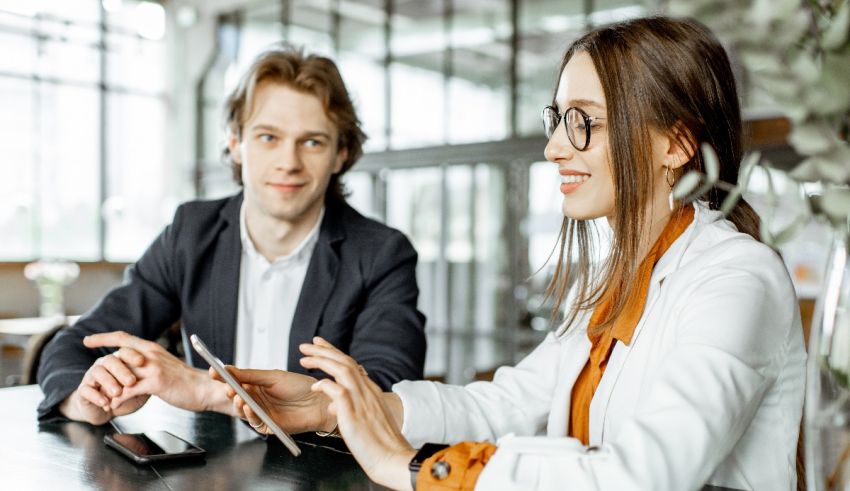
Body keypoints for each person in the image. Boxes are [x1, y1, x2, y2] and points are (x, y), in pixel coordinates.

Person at [211, 16, 807, 491]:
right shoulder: (613, 281)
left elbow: (642, 475)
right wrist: (339, 408)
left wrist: (415, 468)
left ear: (675, 144)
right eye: (559, 119)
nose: (554, 147)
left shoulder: (737, 279)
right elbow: (506, 404)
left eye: (584, 123)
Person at [36, 45, 427, 425]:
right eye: (268, 137)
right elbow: (71, 348)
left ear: (340, 154)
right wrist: (88, 401)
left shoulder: (381, 254)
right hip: (212, 465)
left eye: (312, 142)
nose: (288, 162)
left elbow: (387, 397)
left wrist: (207, 391)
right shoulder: (191, 233)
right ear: (237, 144)